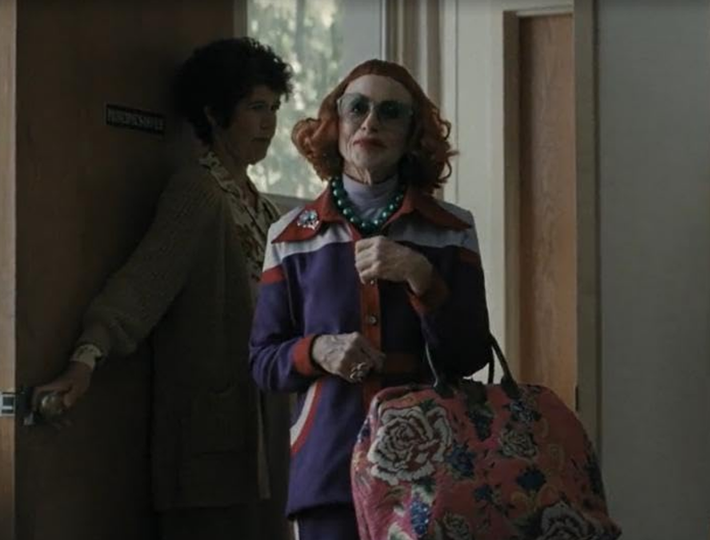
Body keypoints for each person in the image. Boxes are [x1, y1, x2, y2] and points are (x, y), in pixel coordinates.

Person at [33, 37, 293, 540]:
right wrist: (85, 358)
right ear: (215, 114)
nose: (268, 123)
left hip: (266, 425)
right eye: (255, 108)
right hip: (212, 433)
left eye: (274, 108)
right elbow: (142, 284)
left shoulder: (263, 208)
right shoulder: (199, 192)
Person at [249, 59, 492, 540]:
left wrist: (422, 277)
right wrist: (318, 350)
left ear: (413, 134)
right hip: (327, 473)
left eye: (390, 112)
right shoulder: (289, 235)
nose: (370, 122)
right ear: (335, 124)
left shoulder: (452, 231)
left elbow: (470, 355)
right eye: (356, 108)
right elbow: (262, 361)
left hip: (431, 476)